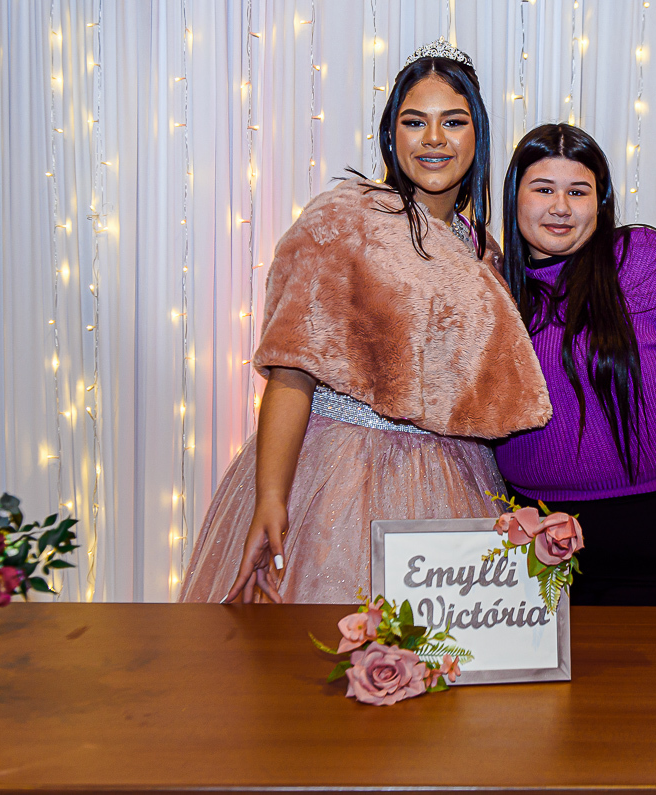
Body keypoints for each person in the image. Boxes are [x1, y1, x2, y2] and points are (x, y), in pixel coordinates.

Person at [180, 41, 551, 605]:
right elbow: (291, 371)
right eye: (414, 122)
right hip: (338, 479)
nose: (434, 138)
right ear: (390, 135)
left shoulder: (483, 251)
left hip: (455, 481)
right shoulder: (342, 221)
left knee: (441, 651)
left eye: (453, 121)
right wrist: (271, 498)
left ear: (478, 134)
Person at [493, 123, 656, 607]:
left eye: (578, 191)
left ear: (600, 203)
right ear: (514, 198)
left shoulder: (646, 264)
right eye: (543, 189)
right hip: (535, 547)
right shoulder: (492, 292)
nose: (561, 207)